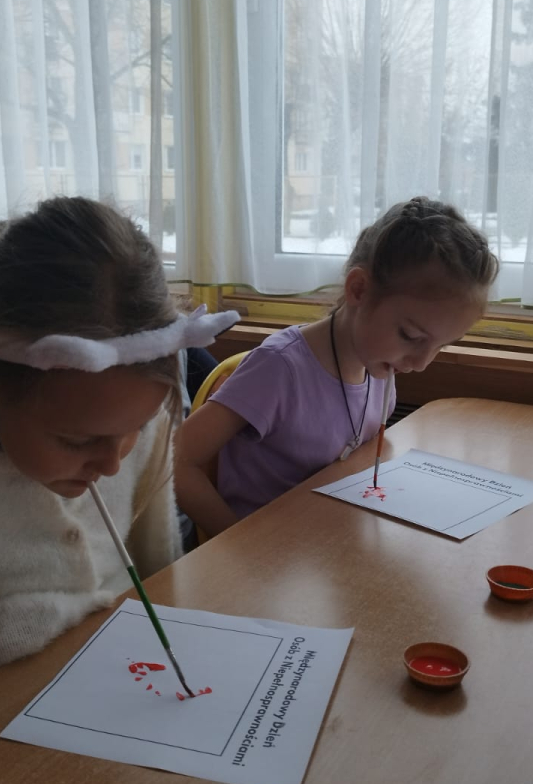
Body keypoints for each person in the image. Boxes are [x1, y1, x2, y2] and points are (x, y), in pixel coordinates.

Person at [0, 196, 237, 713]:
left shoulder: (142, 425)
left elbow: (158, 573)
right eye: (78, 441)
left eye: (133, 431)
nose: (112, 464)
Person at [175, 195, 499, 538]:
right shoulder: (279, 369)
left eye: (441, 345)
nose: (420, 364)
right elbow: (174, 460)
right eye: (410, 335)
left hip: (328, 541)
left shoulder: (380, 366)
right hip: (270, 554)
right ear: (359, 290)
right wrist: (236, 541)